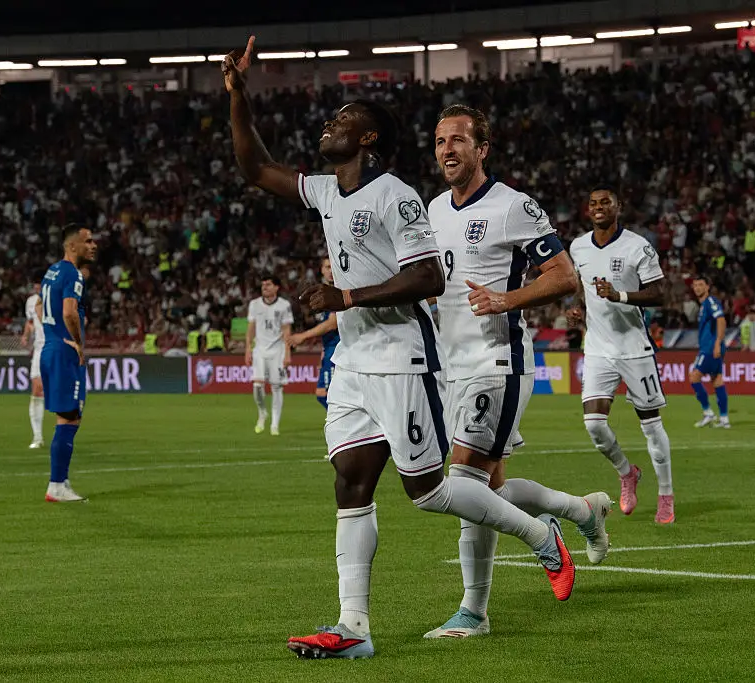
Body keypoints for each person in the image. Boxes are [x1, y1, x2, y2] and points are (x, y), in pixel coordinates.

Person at [223, 36, 573, 661]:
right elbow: (255, 169)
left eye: (343, 121)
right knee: (350, 484)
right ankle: (352, 627)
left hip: (403, 355)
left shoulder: (398, 196)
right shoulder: (329, 192)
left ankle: (541, 533)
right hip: (354, 363)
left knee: (429, 491)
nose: (329, 126)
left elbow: (427, 279)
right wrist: (238, 96)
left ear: (367, 141)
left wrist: (347, 297)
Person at [425, 104, 610, 639]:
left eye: (458, 140)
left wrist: (507, 298)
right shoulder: (434, 210)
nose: (447, 150)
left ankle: (475, 610)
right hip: (452, 366)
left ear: (482, 149)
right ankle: (581, 510)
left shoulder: (514, 207)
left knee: (463, 483)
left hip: (498, 362)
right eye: (440, 142)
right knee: (491, 491)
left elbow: (564, 276)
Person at [567, 186, 675, 524]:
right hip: (598, 349)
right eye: (593, 203)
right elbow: (580, 287)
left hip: (634, 350)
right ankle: (627, 473)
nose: (598, 207)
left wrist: (621, 296)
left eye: (605, 202)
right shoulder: (578, 246)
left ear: (619, 207)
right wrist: (577, 307)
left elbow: (659, 293)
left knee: (652, 428)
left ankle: (666, 495)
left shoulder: (637, 246)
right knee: (594, 424)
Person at [39, 224, 97, 503]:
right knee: (70, 417)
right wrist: (77, 342)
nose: (93, 245)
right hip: (64, 352)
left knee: (68, 416)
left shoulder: (51, 272)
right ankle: (57, 485)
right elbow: (69, 312)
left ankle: (60, 480)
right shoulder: (73, 273)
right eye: (88, 241)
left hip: (50, 349)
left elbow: (43, 309)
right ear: (72, 246)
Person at [289, 258, 340, 410]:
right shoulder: (323, 292)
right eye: (327, 267)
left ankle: (343, 428)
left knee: (327, 394)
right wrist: (323, 353)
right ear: (321, 270)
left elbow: (332, 323)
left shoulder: (338, 289)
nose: (330, 271)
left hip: (339, 349)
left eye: (333, 267)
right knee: (324, 394)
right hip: (330, 349)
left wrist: (303, 336)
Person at [245, 275, 293, 435]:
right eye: (263, 284)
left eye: (268, 284)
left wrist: (287, 353)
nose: (264, 287)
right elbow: (251, 328)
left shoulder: (284, 305)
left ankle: (274, 425)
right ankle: (262, 412)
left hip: (277, 350)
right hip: (259, 349)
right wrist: (247, 349)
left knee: (276, 387)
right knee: (257, 386)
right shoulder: (254, 304)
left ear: (276, 287)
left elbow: (287, 330)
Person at [691, 276, 730, 429]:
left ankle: (708, 413)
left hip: (709, 347)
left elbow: (721, 319)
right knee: (717, 381)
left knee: (694, 377)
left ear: (707, 286)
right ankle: (724, 419)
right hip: (711, 346)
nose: (697, 288)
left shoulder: (710, 302)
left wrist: (717, 343)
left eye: (700, 285)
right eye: (695, 285)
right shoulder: (703, 306)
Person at [20, 275, 46, 449]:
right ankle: (37, 436)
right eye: (35, 285)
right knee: (37, 388)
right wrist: (26, 334)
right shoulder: (30, 302)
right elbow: (30, 322)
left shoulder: (57, 299)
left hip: (57, 347)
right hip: (39, 348)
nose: (37, 289)